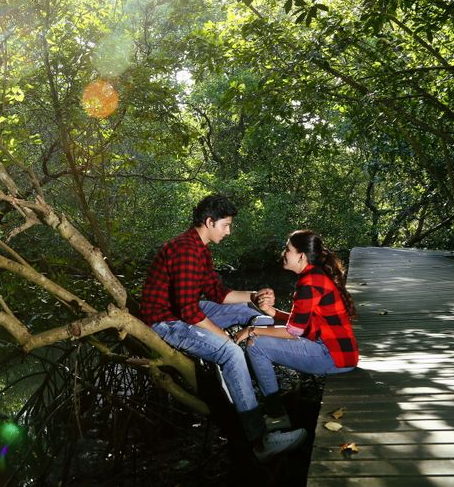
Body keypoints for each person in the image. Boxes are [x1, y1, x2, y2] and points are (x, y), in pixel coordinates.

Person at [138, 195, 308, 460]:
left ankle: (274, 407)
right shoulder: (184, 250)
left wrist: (254, 296)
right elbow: (189, 313)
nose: (229, 231)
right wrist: (225, 339)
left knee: (250, 311)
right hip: (167, 322)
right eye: (226, 225)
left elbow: (217, 292)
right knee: (231, 353)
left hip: (187, 310)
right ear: (209, 222)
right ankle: (261, 440)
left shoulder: (200, 248)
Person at [245, 230, 359, 425]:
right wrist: (271, 312)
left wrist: (250, 331)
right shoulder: (315, 276)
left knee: (255, 344)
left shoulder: (309, 284)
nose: (283, 253)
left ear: (301, 256)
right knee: (261, 322)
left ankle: (275, 414)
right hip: (340, 354)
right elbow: (302, 324)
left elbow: (292, 331)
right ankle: (278, 403)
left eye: (287, 249)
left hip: (332, 356)